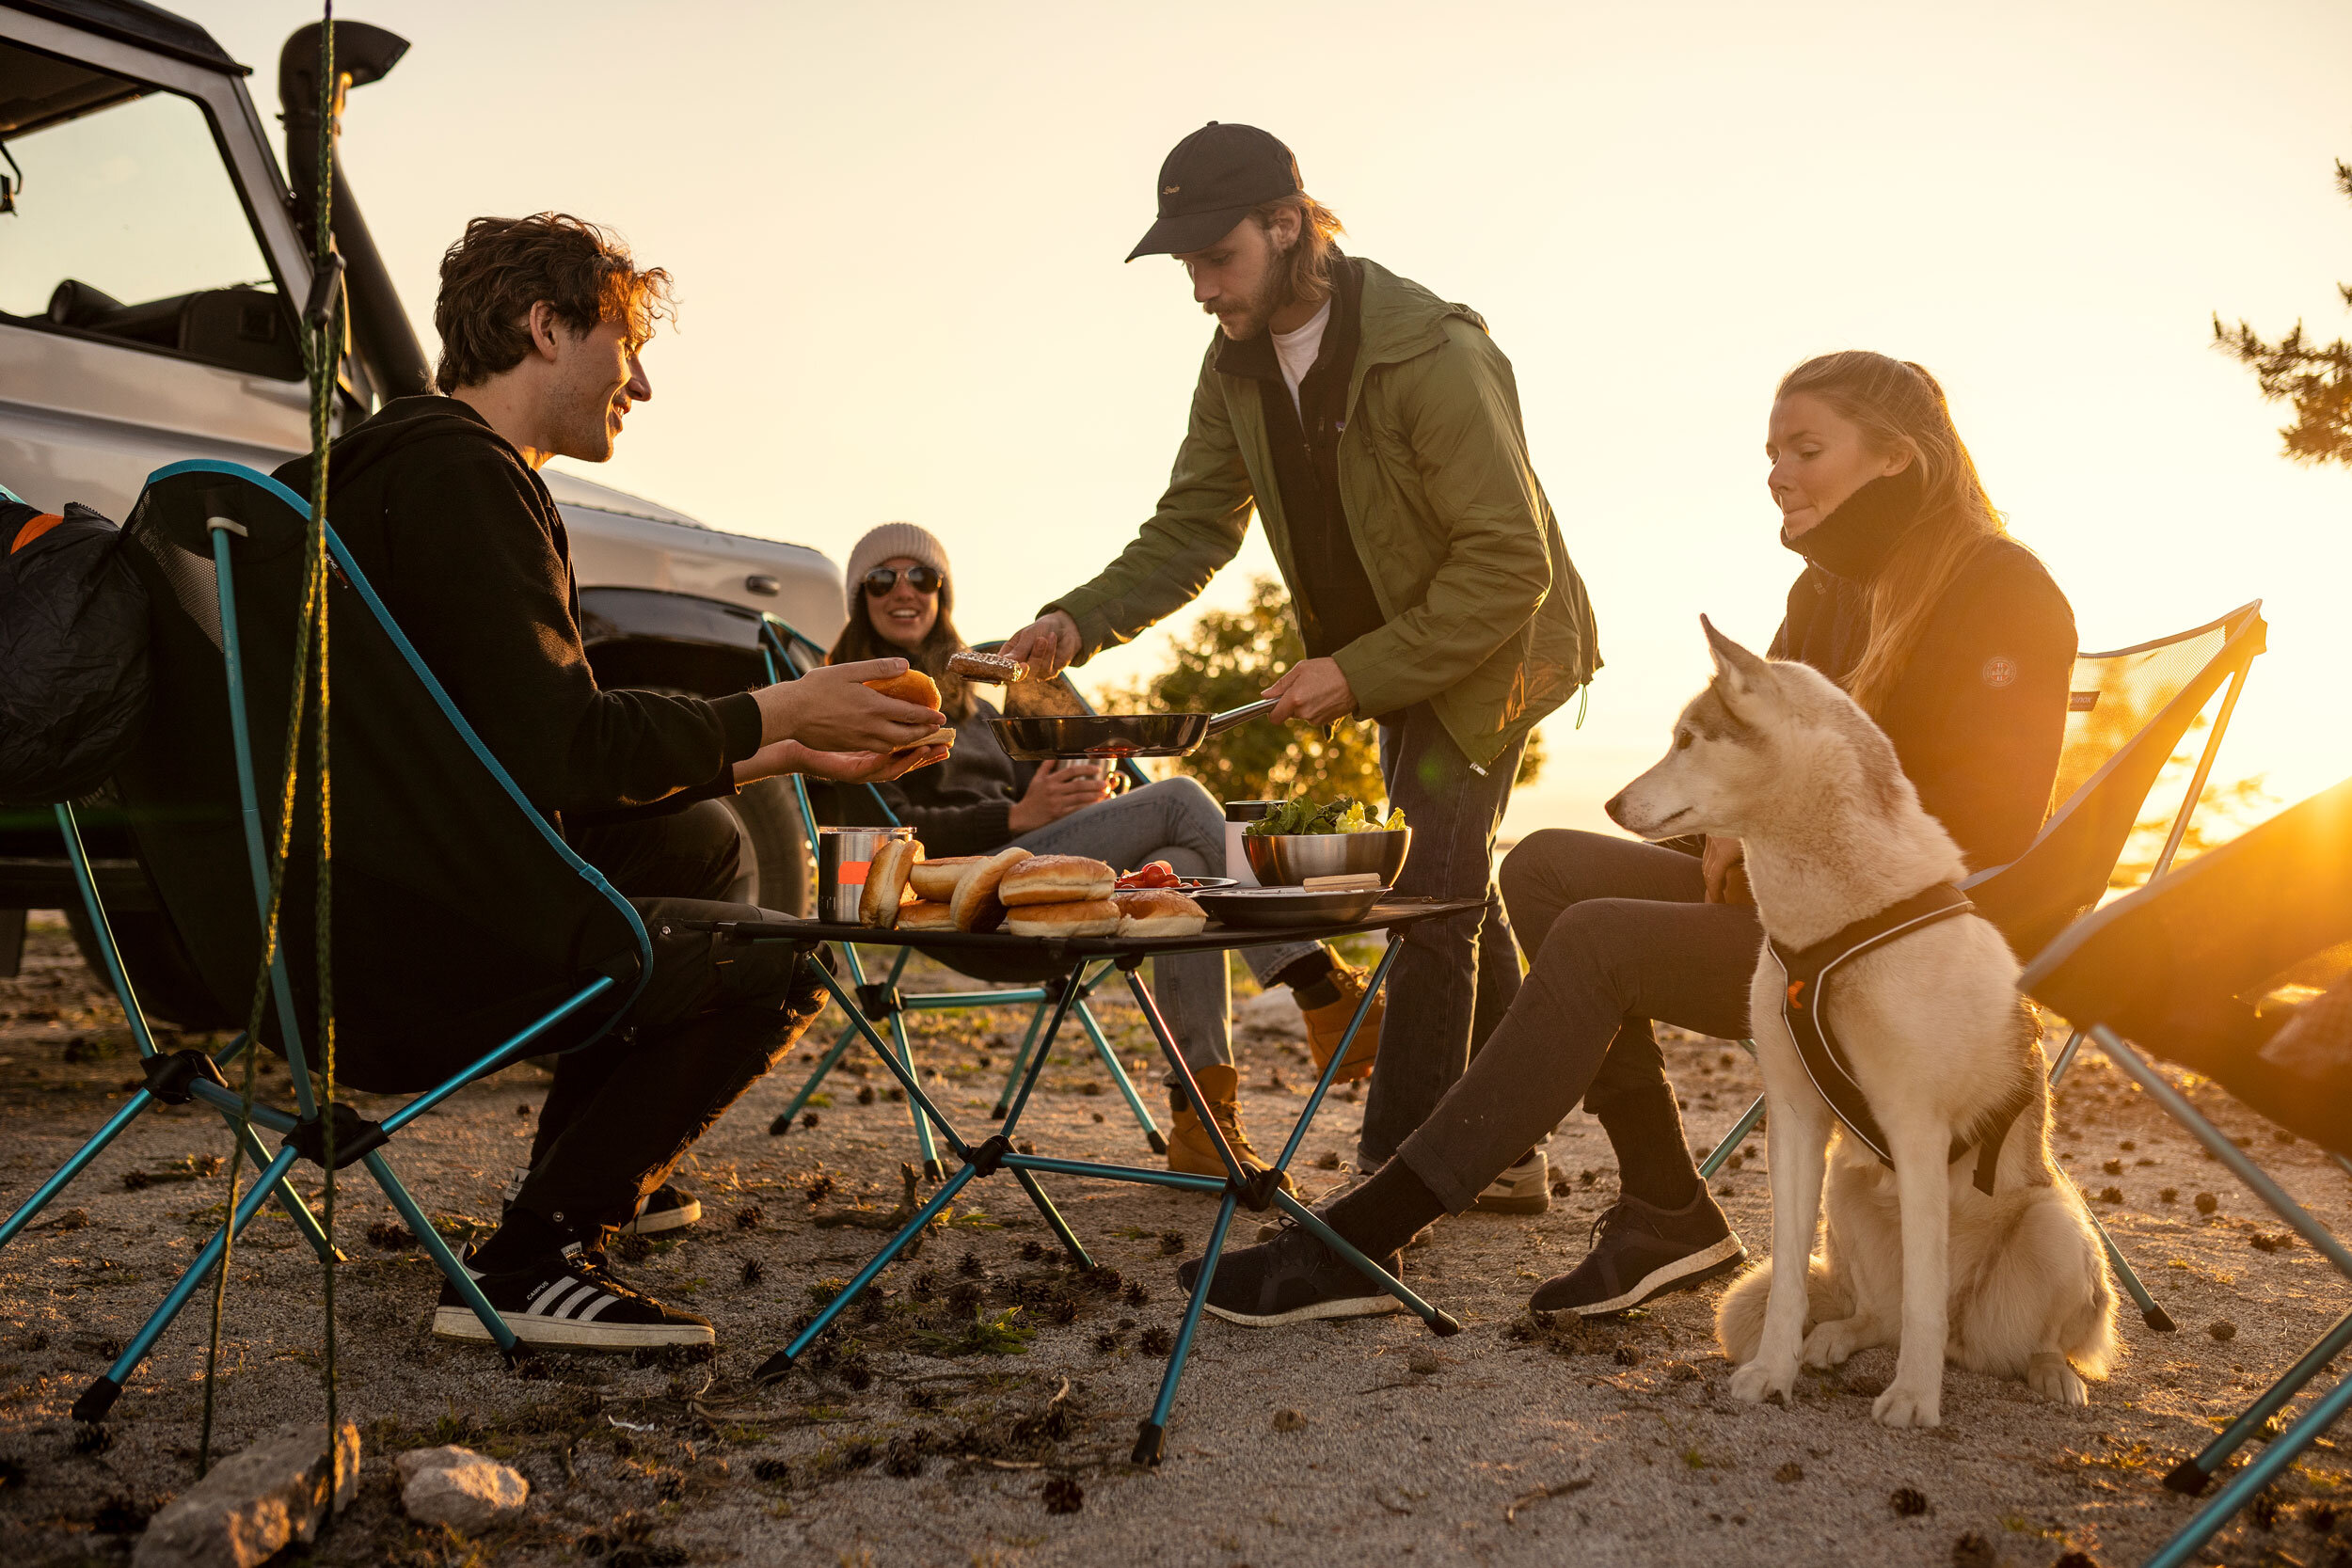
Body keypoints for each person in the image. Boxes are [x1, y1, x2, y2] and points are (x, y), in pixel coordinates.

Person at [1184, 350, 2079, 1325]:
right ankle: (1664, 1204)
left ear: (1897, 458)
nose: (1777, 471)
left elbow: (1988, 827)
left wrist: (1770, 825)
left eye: (1806, 448)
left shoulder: (2004, 590)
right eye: (1771, 450)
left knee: (1601, 940)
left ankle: (1366, 1235)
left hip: (1896, 951)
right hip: (1797, 907)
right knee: (1542, 867)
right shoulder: (1826, 590)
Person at [276, 214, 950, 1351]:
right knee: (780, 955)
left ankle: (596, 1167)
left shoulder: (354, 473)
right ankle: (538, 1253)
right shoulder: (466, 479)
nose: (639, 382)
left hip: (309, 928)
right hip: (405, 961)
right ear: (545, 327)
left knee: (692, 842)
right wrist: (777, 704)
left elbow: (509, 754)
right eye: (623, 342)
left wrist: (781, 750)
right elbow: (566, 752)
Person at [1000, 124, 1599, 1205]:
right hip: (1384, 655)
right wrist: (1075, 622)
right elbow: (1193, 525)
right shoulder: (1234, 361)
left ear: (1286, 226)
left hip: (1494, 646)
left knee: (1427, 896)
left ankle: (1395, 1178)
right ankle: (1507, 1142)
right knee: (1456, 884)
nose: (1198, 286)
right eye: (1183, 262)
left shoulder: (1434, 353)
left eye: (1213, 256)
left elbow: (1508, 563)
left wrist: (1355, 671)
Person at [821, 521, 1366, 1191]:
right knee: (1179, 797)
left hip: (1034, 878)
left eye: (922, 577)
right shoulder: (851, 698)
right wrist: (1018, 816)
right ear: (859, 597)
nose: (904, 590)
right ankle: (1318, 981)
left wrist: (1080, 799)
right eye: (883, 578)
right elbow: (872, 839)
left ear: (942, 592)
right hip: (961, 896)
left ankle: (1201, 1122)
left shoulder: (974, 701)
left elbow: (1035, 799)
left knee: (1174, 857)